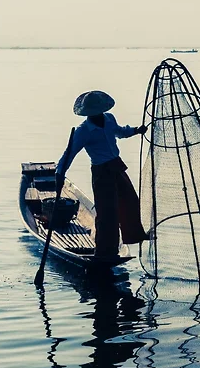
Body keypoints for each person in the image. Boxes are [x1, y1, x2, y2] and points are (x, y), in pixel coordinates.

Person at [56, 90, 150, 264]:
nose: (96, 115)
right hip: (101, 172)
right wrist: (60, 173)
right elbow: (69, 153)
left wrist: (136, 130)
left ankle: (134, 234)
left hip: (117, 166)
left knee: (130, 201)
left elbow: (120, 132)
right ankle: (105, 251)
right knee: (107, 213)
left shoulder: (109, 119)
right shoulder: (83, 131)